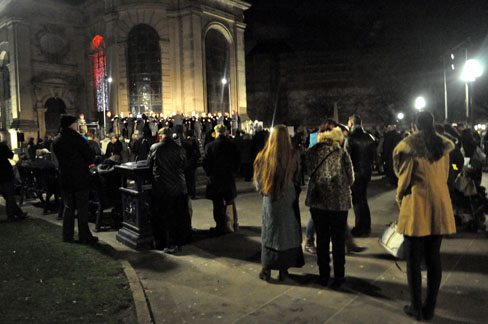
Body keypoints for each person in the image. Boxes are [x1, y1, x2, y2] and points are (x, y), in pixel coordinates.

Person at [393, 111, 456, 321]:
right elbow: (446, 176)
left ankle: (416, 306)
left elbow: (404, 180)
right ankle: (430, 308)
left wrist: (399, 196)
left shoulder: (412, 148)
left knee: (413, 261)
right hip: (439, 205)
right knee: (433, 258)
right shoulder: (442, 147)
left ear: (415, 126)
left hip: (417, 207)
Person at [254, 125, 304, 281]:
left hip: (270, 199)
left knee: (270, 233)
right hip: (288, 198)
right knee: (287, 233)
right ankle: (284, 270)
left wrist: (265, 191)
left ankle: (266, 269)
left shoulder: (263, 156)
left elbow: (259, 183)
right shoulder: (293, 155)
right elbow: (298, 177)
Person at [306, 127, 354, 289]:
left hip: (318, 201)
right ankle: (339, 276)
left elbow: (307, 172)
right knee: (338, 240)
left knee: (322, 239)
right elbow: (350, 178)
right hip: (338, 203)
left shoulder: (312, 152)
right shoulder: (341, 153)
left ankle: (323, 275)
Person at [52, 114, 98, 243]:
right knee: (82, 208)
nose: (77, 125)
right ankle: (84, 235)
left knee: (69, 208)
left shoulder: (57, 140)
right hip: (80, 178)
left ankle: (67, 235)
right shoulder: (77, 139)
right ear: (72, 124)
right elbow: (89, 156)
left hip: (65, 178)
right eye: (76, 123)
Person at [147, 127, 191, 253]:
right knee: (180, 215)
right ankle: (181, 240)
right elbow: (184, 166)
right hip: (180, 187)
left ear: (160, 136)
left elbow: (149, 165)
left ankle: (168, 243)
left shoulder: (155, 148)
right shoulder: (179, 148)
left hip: (163, 188)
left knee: (166, 217)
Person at [203, 124, 240, 234]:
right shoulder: (232, 145)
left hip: (216, 179)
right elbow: (237, 161)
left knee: (217, 203)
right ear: (226, 132)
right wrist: (234, 172)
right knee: (230, 201)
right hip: (228, 177)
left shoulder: (210, 146)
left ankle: (220, 226)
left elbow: (206, 163)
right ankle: (232, 224)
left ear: (216, 133)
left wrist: (210, 174)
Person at [346, 114, 376, 237]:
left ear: (351, 124)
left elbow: (346, 156)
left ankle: (360, 228)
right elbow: (373, 155)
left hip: (356, 172)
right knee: (363, 198)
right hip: (367, 171)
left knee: (357, 200)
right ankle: (366, 226)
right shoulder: (370, 137)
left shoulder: (350, 138)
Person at [0, 140, 27, 222]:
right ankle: (10, 216)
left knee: (8, 197)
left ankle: (20, 213)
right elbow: (11, 155)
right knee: (9, 196)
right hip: (6, 174)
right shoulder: (2, 146)